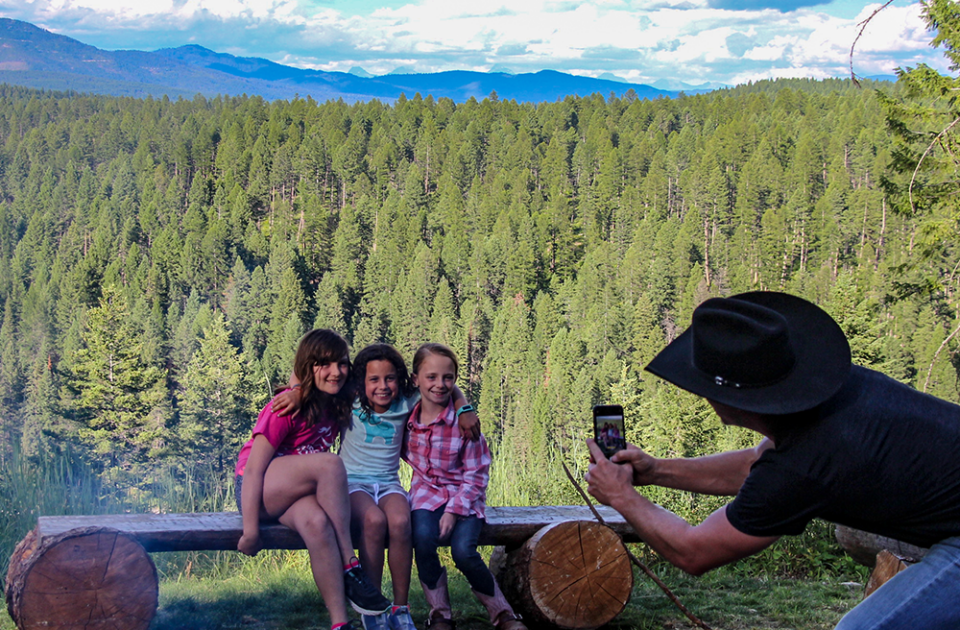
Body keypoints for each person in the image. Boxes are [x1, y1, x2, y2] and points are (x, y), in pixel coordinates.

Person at [584, 291, 960, 629]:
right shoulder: (831, 391)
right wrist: (656, 470)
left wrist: (622, 497)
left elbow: (694, 551)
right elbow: (752, 465)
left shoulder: (805, 462)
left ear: (730, 401)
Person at [272, 342, 481, 630]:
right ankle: (372, 609)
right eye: (374, 379)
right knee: (373, 520)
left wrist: (463, 406)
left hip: (388, 482)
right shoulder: (350, 399)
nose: (383, 387)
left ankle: (400, 607)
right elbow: (310, 375)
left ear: (401, 380)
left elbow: (443, 382)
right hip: (351, 483)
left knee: (399, 521)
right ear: (362, 381)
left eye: (390, 378)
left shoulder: (406, 401)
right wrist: (296, 391)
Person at [235, 329, 391, 630]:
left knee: (317, 524)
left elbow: (407, 384)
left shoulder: (338, 401)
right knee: (330, 464)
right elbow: (253, 470)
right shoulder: (284, 408)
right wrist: (250, 530)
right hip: (256, 490)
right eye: (325, 364)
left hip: (292, 493)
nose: (336, 372)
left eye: (342, 363)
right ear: (309, 367)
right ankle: (350, 565)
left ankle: (339, 622)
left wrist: (462, 404)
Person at [404, 343, 526, 630]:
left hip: (465, 496)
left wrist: (454, 511)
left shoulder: (464, 425)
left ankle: (503, 613)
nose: (440, 384)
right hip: (425, 494)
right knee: (422, 541)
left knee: (463, 551)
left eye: (448, 378)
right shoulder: (406, 417)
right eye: (431, 377)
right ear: (415, 380)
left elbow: (476, 475)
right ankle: (440, 614)